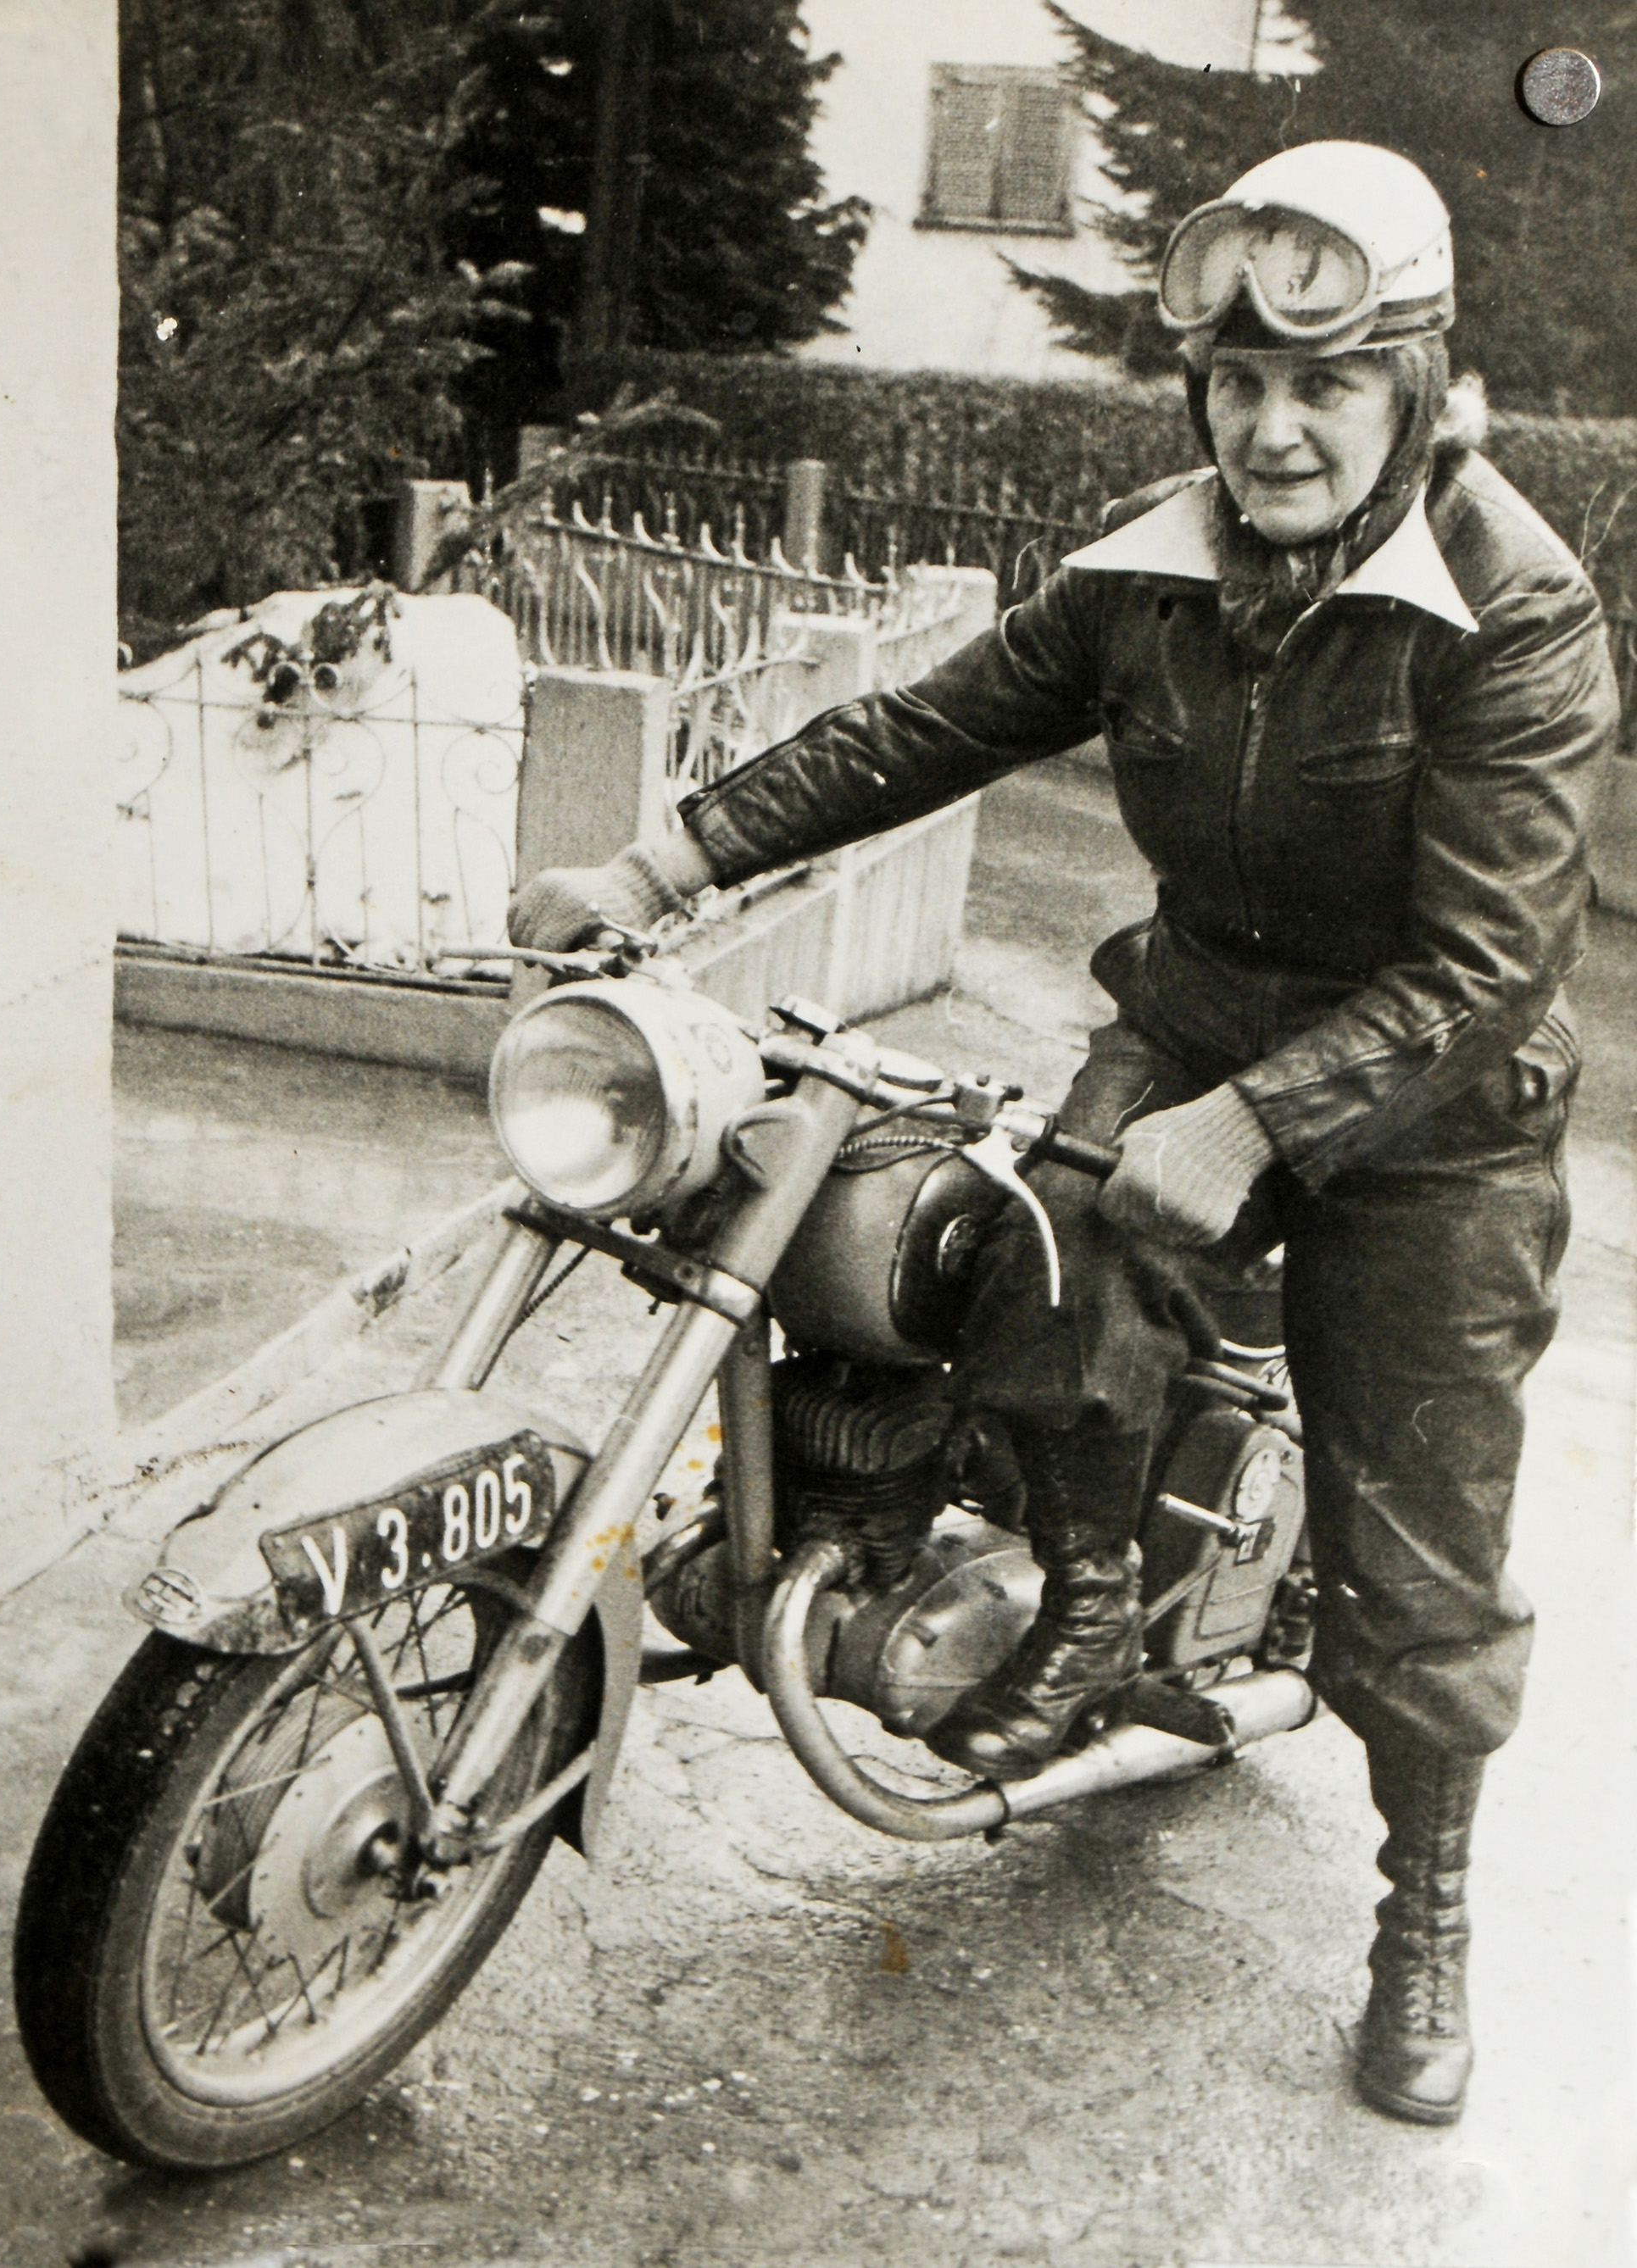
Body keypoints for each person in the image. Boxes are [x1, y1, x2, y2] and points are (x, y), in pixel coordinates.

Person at [510, 142, 1618, 2126]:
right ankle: (1090, 1604)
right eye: (1237, 383)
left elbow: (1483, 966)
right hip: (1190, 1016)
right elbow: (923, 726)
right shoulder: (1145, 566)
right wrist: (660, 861)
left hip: (1436, 1116)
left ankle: (1422, 1912)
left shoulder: (1510, 604)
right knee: (1034, 1261)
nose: (1271, 430)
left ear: (1413, 390)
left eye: (1324, 385)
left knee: (1417, 1551)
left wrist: (1254, 1124)